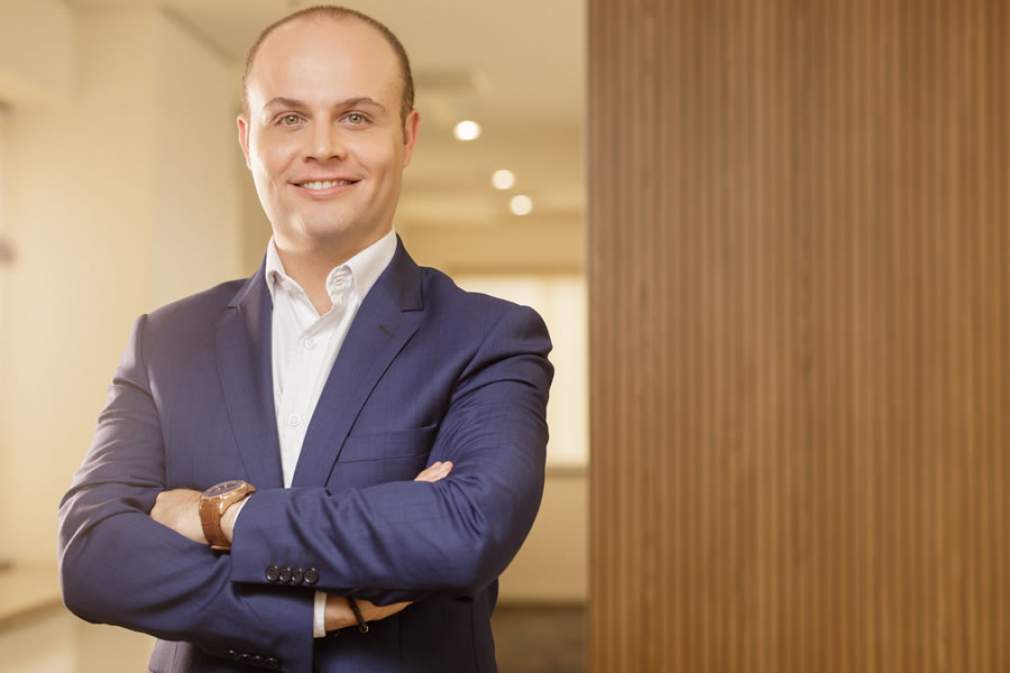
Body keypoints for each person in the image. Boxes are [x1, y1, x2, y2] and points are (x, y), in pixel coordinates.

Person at [56, 5, 554, 673]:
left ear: (407, 136)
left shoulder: (489, 337)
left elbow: (466, 528)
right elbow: (91, 557)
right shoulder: (166, 340)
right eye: (289, 118)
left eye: (356, 116)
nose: (322, 146)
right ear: (247, 140)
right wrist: (313, 612)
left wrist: (216, 518)